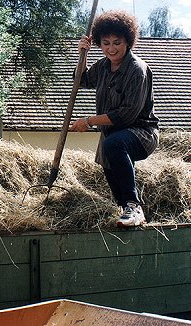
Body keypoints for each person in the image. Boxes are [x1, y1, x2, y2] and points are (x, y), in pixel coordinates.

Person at [69, 10, 159, 227]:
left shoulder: (137, 69)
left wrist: (89, 121)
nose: (111, 48)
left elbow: (127, 114)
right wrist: (83, 54)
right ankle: (126, 213)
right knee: (110, 164)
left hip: (141, 133)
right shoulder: (103, 66)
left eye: (117, 42)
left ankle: (134, 206)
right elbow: (81, 81)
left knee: (114, 145)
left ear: (128, 41)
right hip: (113, 136)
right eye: (105, 43)